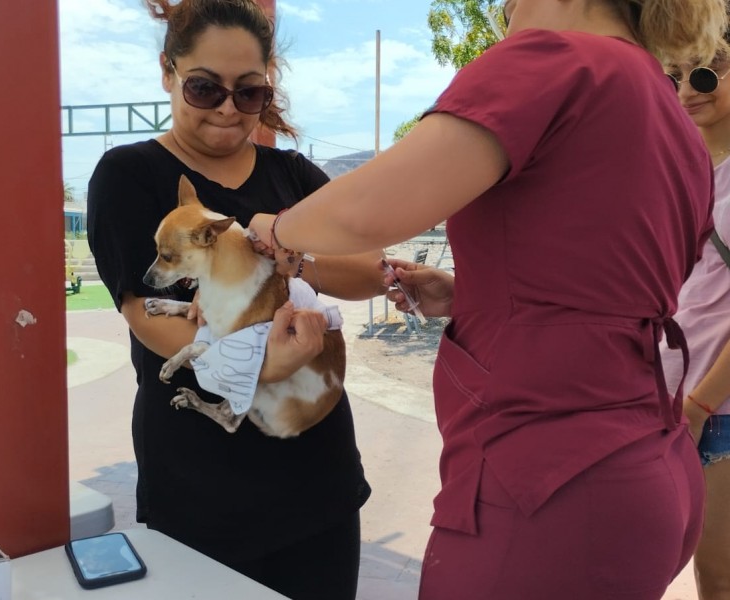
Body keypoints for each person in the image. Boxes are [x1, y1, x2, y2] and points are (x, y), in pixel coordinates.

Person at [247, 0, 729, 598]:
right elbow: (604, 279)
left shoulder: (554, 58)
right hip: (648, 460)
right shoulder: (669, 112)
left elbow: (362, 211)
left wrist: (273, 230)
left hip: (548, 482)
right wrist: (477, 297)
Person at [86, 1, 383, 598]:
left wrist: (288, 250)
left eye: (249, 93)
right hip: (200, 493)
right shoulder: (130, 174)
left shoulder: (293, 175)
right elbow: (147, 314)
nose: (227, 107)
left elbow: (369, 270)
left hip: (317, 483)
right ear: (167, 72)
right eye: (204, 87)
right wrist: (259, 366)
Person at [662, 43, 730, 600]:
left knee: (717, 574)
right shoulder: (680, 170)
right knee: (643, 562)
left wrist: (700, 405)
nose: (689, 88)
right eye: (675, 75)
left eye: (709, 69)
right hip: (662, 400)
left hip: (716, 410)